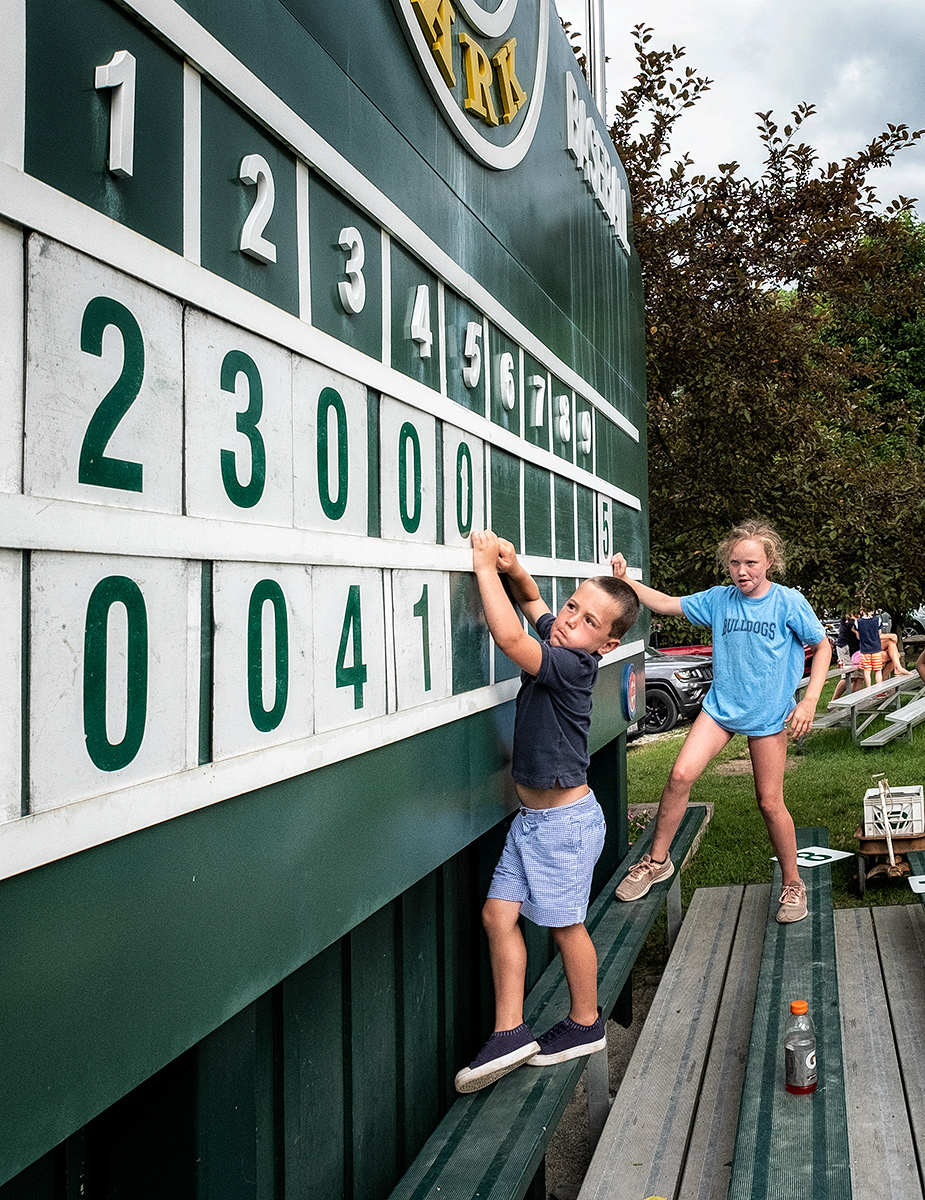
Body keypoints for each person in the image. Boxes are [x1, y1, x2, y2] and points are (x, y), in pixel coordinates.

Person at [454, 530, 640, 1093]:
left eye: (588, 622)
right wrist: (515, 569)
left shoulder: (571, 667)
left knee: (565, 927)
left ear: (605, 645)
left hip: (564, 825)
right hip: (533, 822)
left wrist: (486, 569)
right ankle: (509, 1030)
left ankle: (586, 1022)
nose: (568, 620)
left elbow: (512, 636)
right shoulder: (561, 638)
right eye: (572, 606)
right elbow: (533, 605)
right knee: (497, 916)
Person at [611, 520, 830, 924]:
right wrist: (625, 582)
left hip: (768, 715)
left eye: (751, 563)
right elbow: (665, 603)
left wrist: (810, 700)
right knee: (679, 775)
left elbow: (823, 645)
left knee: (769, 802)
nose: (742, 571)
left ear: (770, 563)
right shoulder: (719, 599)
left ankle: (793, 883)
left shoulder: (788, 602)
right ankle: (656, 861)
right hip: (721, 709)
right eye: (734, 563)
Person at [855, 606, 885, 687]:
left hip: (864, 650)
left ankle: (869, 689)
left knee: (867, 671)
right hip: (876, 649)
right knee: (878, 670)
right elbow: (879, 634)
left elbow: (858, 637)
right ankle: (879, 690)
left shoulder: (858, 622)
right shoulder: (877, 620)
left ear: (862, 610)